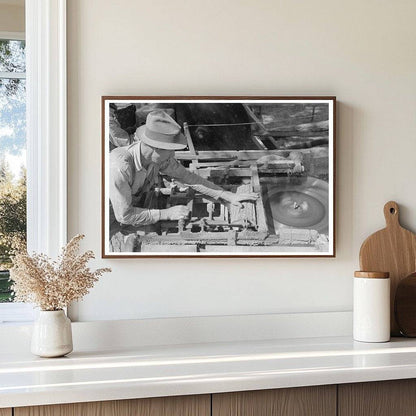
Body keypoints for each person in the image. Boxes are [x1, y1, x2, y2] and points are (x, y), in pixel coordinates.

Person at [109, 110, 258, 240]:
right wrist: (166, 214)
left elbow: (188, 177)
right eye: (170, 149)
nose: (173, 154)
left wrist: (226, 195)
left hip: (130, 211)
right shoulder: (120, 166)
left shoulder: (158, 159)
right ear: (154, 148)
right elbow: (124, 215)